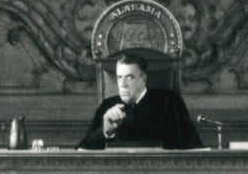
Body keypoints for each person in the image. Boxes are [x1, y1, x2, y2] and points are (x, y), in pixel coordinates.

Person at [76, 50, 206, 151]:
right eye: (119, 77)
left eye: (129, 77)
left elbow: (193, 148)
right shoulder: (108, 105)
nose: (123, 85)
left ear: (143, 78)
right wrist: (106, 131)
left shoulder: (169, 101)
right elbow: (82, 150)